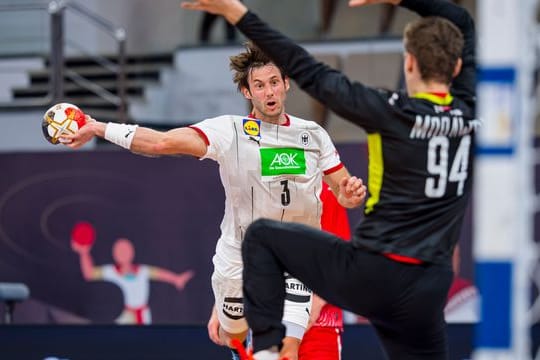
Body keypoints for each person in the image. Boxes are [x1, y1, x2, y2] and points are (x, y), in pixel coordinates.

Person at [181, 0, 478, 359]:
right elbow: (462, 20)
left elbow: (311, 72)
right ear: (458, 66)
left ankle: (269, 347)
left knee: (259, 236)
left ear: (409, 63)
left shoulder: (390, 112)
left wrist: (238, 14)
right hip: (429, 284)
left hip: (373, 272)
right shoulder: (470, 111)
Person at [62, 42, 366, 360]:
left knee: (286, 347)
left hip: (297, 260)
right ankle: (239, 337)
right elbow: (162, 143)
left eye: (274, 82)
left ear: (286, 84)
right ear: (247, 92)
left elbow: (342, 189)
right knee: (230, 333)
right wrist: (99, 128)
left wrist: (349, 195)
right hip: (239, 259)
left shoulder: (313, 135)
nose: (269, 92)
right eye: (259, 85)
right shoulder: (230, 131)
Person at [72, 237, 195, 325]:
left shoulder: (142, 271)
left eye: (126, 250)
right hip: (124, 317)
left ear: (132, 252)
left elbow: (159, 274)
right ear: (114, 254)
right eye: (120, 250)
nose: (123, 253)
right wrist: (84, 253)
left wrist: (176, 279)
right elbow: (89, 274)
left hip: (143, 316)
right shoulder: (111, 272)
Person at [299, 182, 351, 360]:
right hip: (268, 319)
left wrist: (318, 301)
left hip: (319, 323)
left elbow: (342, 257)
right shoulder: (255, 170)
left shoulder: (326, 174)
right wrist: (225, 298)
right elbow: (240, 238)